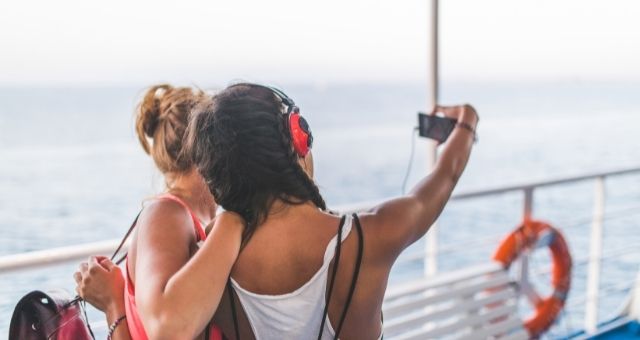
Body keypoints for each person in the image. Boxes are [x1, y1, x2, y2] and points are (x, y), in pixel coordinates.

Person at [182, 83, 479, 339]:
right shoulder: (371, 237)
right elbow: (445, 177)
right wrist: (466, 122)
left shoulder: (209, 271)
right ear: (298, 137)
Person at [74, 85, 244, 340]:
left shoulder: (205, 221)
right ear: (206, 146)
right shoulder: (168, 215)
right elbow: (165, 331)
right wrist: (113, 306)